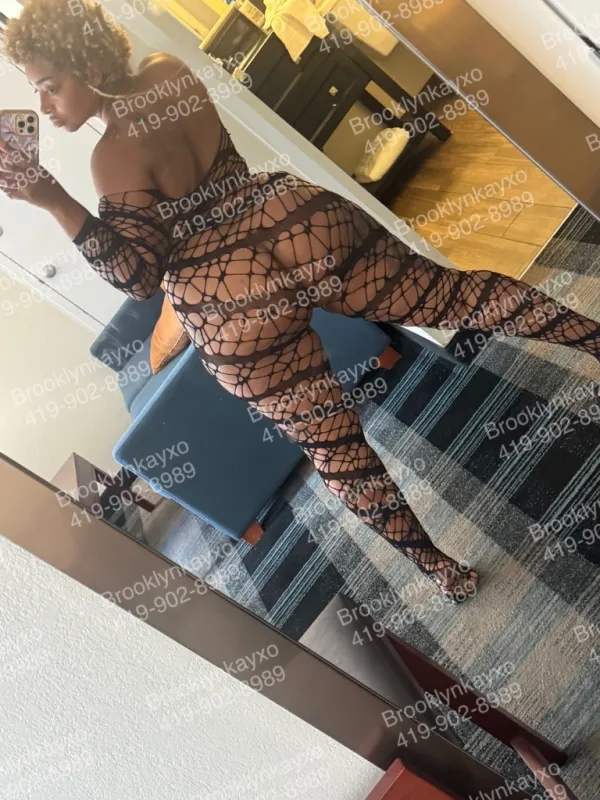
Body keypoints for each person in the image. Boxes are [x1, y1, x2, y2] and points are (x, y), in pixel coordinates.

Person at [2, 0, 599, 603]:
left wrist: (52, 199)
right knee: (455, 296)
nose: (44, 107)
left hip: (228, 302)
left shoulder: (111, 158)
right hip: (292, 223)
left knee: (334, 446)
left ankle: (444, 571)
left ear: (90, 68)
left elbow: (137, 277)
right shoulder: (166, 69)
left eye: (50, 87)